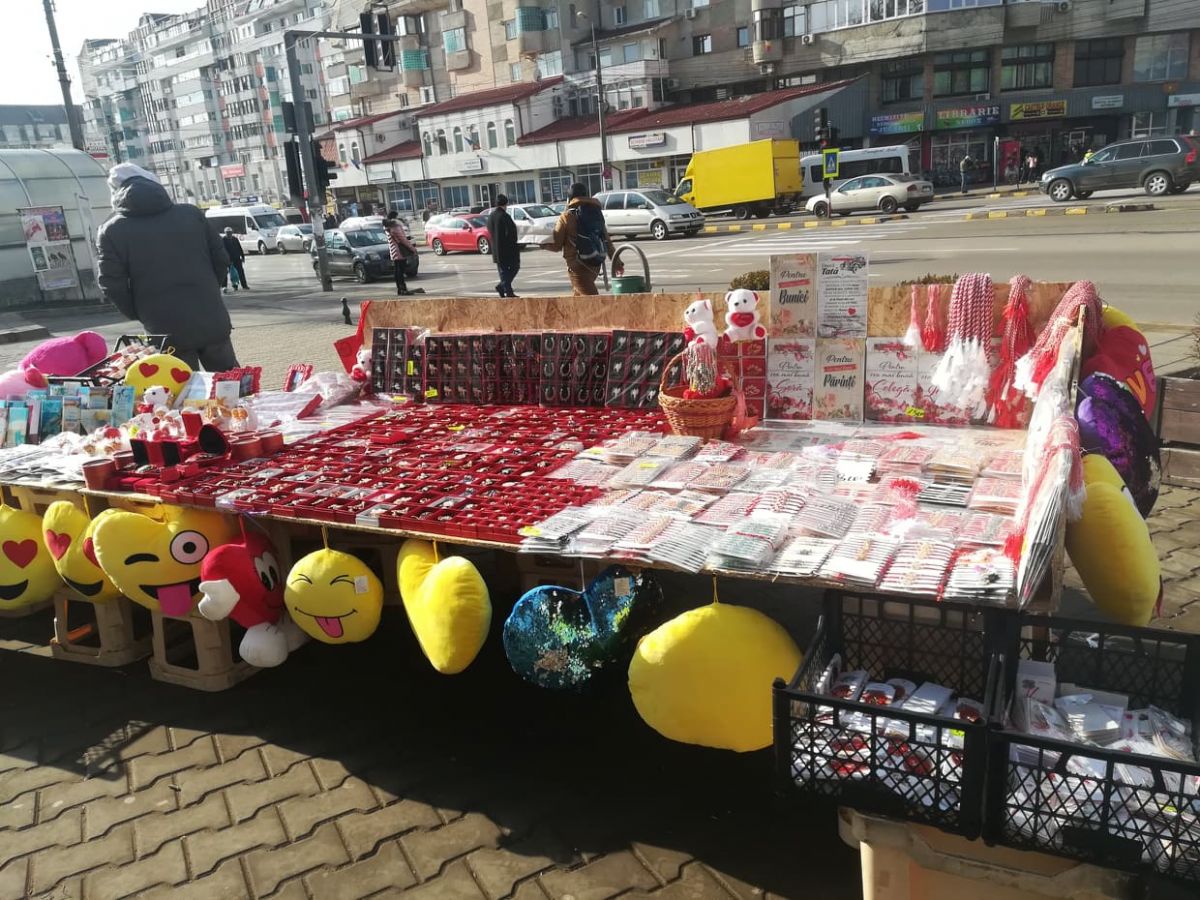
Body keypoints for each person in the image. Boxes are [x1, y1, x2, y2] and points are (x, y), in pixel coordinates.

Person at [96, 163, 239, 371]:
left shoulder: (111, 231)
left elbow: (111, 284)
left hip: (162, 326)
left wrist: (140, 312)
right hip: (210, 317)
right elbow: (221, 259)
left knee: (180, 385)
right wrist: (209, 289)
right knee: (231, 382)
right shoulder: (191, 214)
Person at [544, 182, 621, 296]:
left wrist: (542, 243)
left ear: (569, 198)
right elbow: (607, 240)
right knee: (578, 298)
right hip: (595, 263)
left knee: (592, 302)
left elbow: (556, 245)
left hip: (577, 267)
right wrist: (617, 263)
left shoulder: (566, 216)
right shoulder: (596, 214)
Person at [486, 194, 520, 298]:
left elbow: (489, 230)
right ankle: (505, 289)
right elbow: (511, 233)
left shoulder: (491, 216)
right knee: (514, 267)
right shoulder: (505, 216)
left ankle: (504, 288)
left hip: (496, 249)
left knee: (503, 271)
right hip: (508, 249)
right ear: (505, 204)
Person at [383, 211, 418, 296]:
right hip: (400, 251)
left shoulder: (387, 227)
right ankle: (403, 289)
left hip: (394, 250)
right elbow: (403, 240)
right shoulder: (395, 226)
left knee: (397, 271)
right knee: (400, 271)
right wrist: (413, 249)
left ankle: (399, 289)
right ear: (395, 217)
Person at [221, 227, 249, 292]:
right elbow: (222, 250)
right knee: (225, 273)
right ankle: (224, 286)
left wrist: (242, 256)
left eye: (230, 232)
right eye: (227, 233)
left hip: (236, 258)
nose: (229, 234)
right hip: (227, 259)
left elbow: (239, 248)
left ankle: (244, 285)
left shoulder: (235, 239)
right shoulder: (223, 240)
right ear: (225, 233)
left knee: (240, 272)